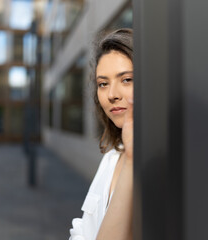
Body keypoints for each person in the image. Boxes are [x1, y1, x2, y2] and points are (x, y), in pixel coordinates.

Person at [69, 28, 134, 240]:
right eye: (103, 84)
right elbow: (82, 230)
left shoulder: (172, 165)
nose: (112, 95)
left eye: (126, 79)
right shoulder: (111, 157)